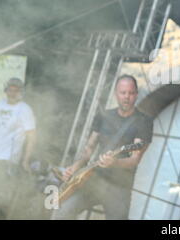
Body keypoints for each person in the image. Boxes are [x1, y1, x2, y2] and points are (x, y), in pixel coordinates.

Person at [54, 74, 153, 220]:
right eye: (123, 92)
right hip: (94, 178)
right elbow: (88, 149)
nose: (127, 97)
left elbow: (134, 159)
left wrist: (115, 162)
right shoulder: (104, 115)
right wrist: (75, 166)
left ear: (136, 95)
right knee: (64, 211)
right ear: (116, 94)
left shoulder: (144, 122)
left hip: (119, 187)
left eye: (131, 93)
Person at [0, 77, 36, 220]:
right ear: (6, 90)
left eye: (17, 90)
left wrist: (25, 160)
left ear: (21, 92)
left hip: (7, 160)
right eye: (11, 89)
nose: (13, 92)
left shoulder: (25, 110)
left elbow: (32, 137)